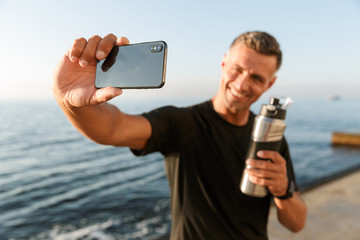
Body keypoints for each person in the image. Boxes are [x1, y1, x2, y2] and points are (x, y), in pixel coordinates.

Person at [53, 31, 307, 239]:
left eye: (256, 77)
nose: (242, 83)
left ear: (269, 84)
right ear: (223, 64)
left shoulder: (270, 138)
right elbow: (114, 129)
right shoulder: (182, 122)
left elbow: (296, 223)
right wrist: (70, 102)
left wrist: (282, 189)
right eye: (237, 69)